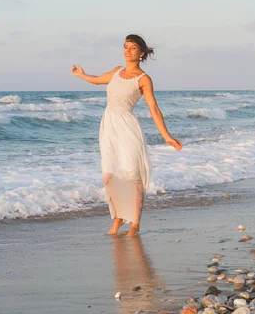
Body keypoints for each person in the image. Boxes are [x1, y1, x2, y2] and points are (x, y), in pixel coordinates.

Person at [71, 34, 182, 237]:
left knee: (131, 176)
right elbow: (96, 81)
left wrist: (166, 136)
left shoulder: (143, 79)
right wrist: (80, 74)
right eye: (125, 47)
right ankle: (118, 218)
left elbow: (154, 109)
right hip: (108, 129)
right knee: (110, 176)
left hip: (128, 129)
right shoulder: (116, 72)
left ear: (141, 53)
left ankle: (135, 224)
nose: (128, 51)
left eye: (132, 48)